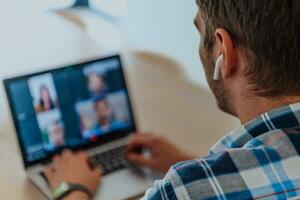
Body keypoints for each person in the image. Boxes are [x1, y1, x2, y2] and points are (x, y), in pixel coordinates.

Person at [44, 0, 300, 199]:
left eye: (200, 33)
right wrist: (195, 162)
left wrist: (71, 188)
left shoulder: (183, 191)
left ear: (224, 51)